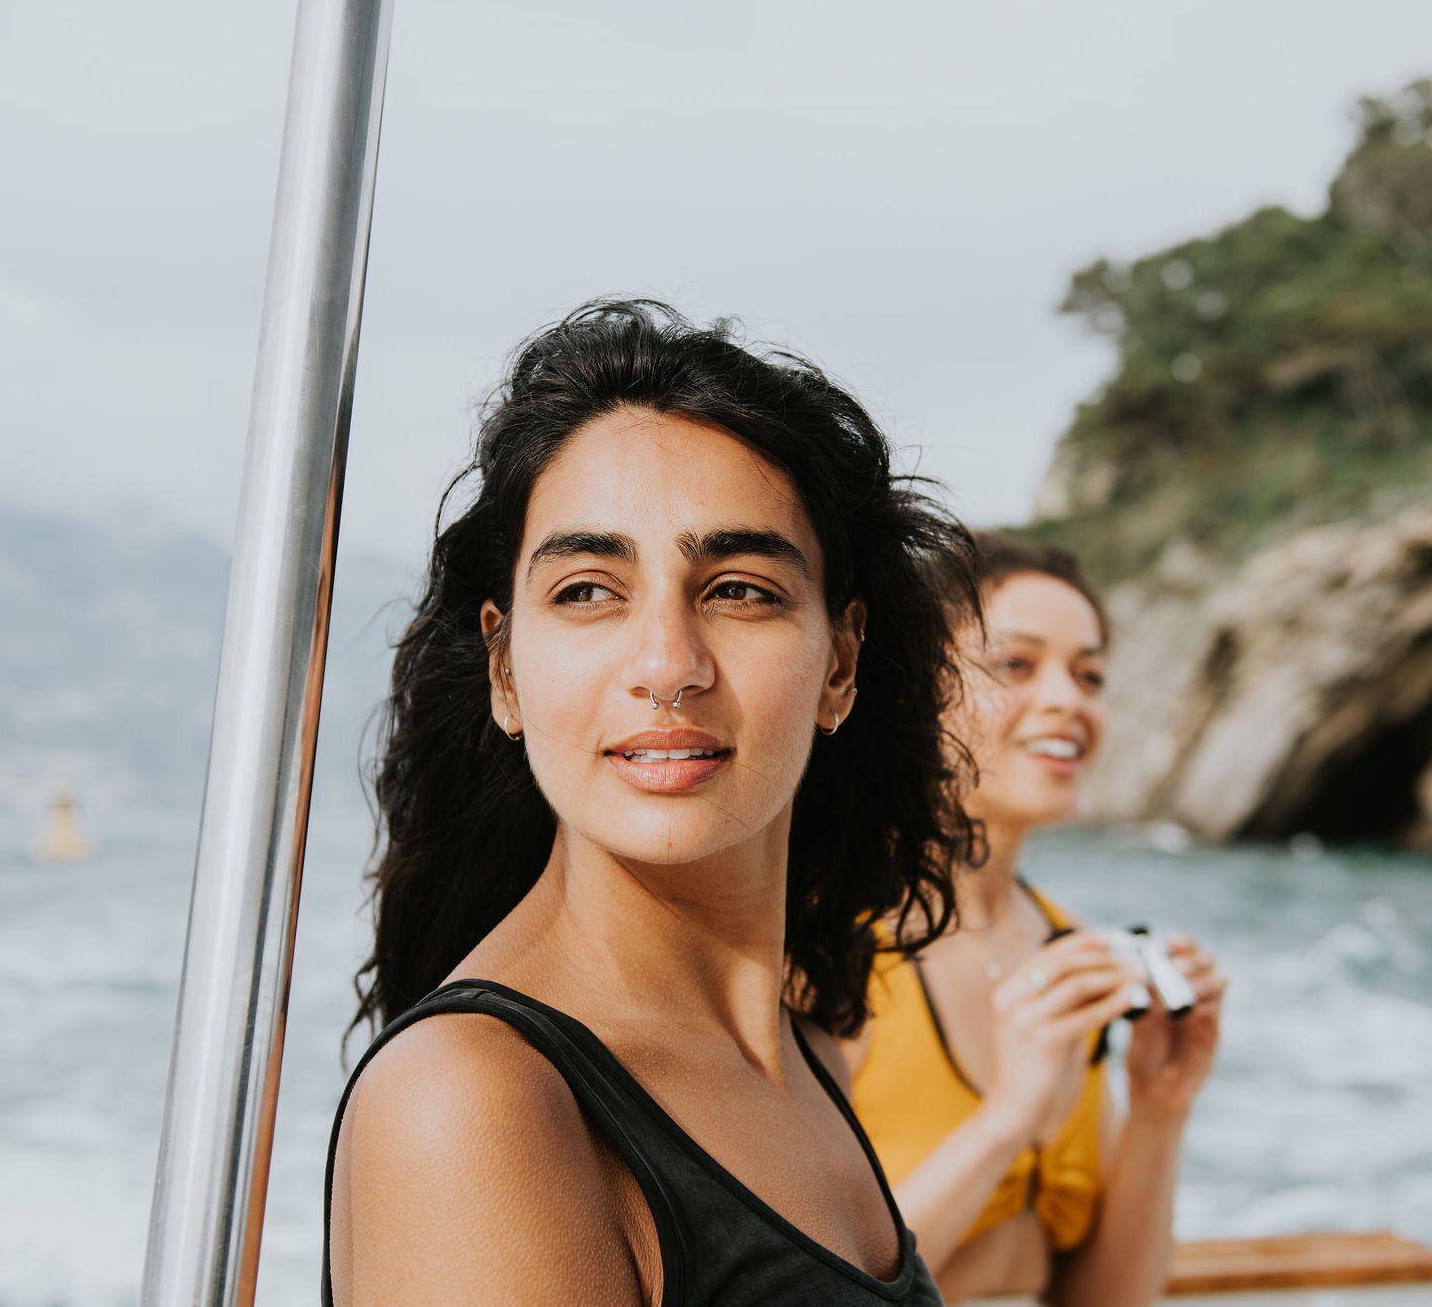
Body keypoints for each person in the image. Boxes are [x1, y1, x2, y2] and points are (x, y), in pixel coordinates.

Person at [323, 300, 980, 1305]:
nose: (666, 664)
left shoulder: (804, 1060)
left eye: (738, 589)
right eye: (587, 589)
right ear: (504, 669)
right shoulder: (471, 1105)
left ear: (839, 663)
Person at [847, 532, 1227, 1305]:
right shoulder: (826, 945)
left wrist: (1160, 1108)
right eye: (1015, 664)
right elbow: (805, 1292)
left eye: (1089, 675)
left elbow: (1105, 1298)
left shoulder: (1069, 949)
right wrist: (1008, 1118)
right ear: (912, 688)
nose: (1069, 700)